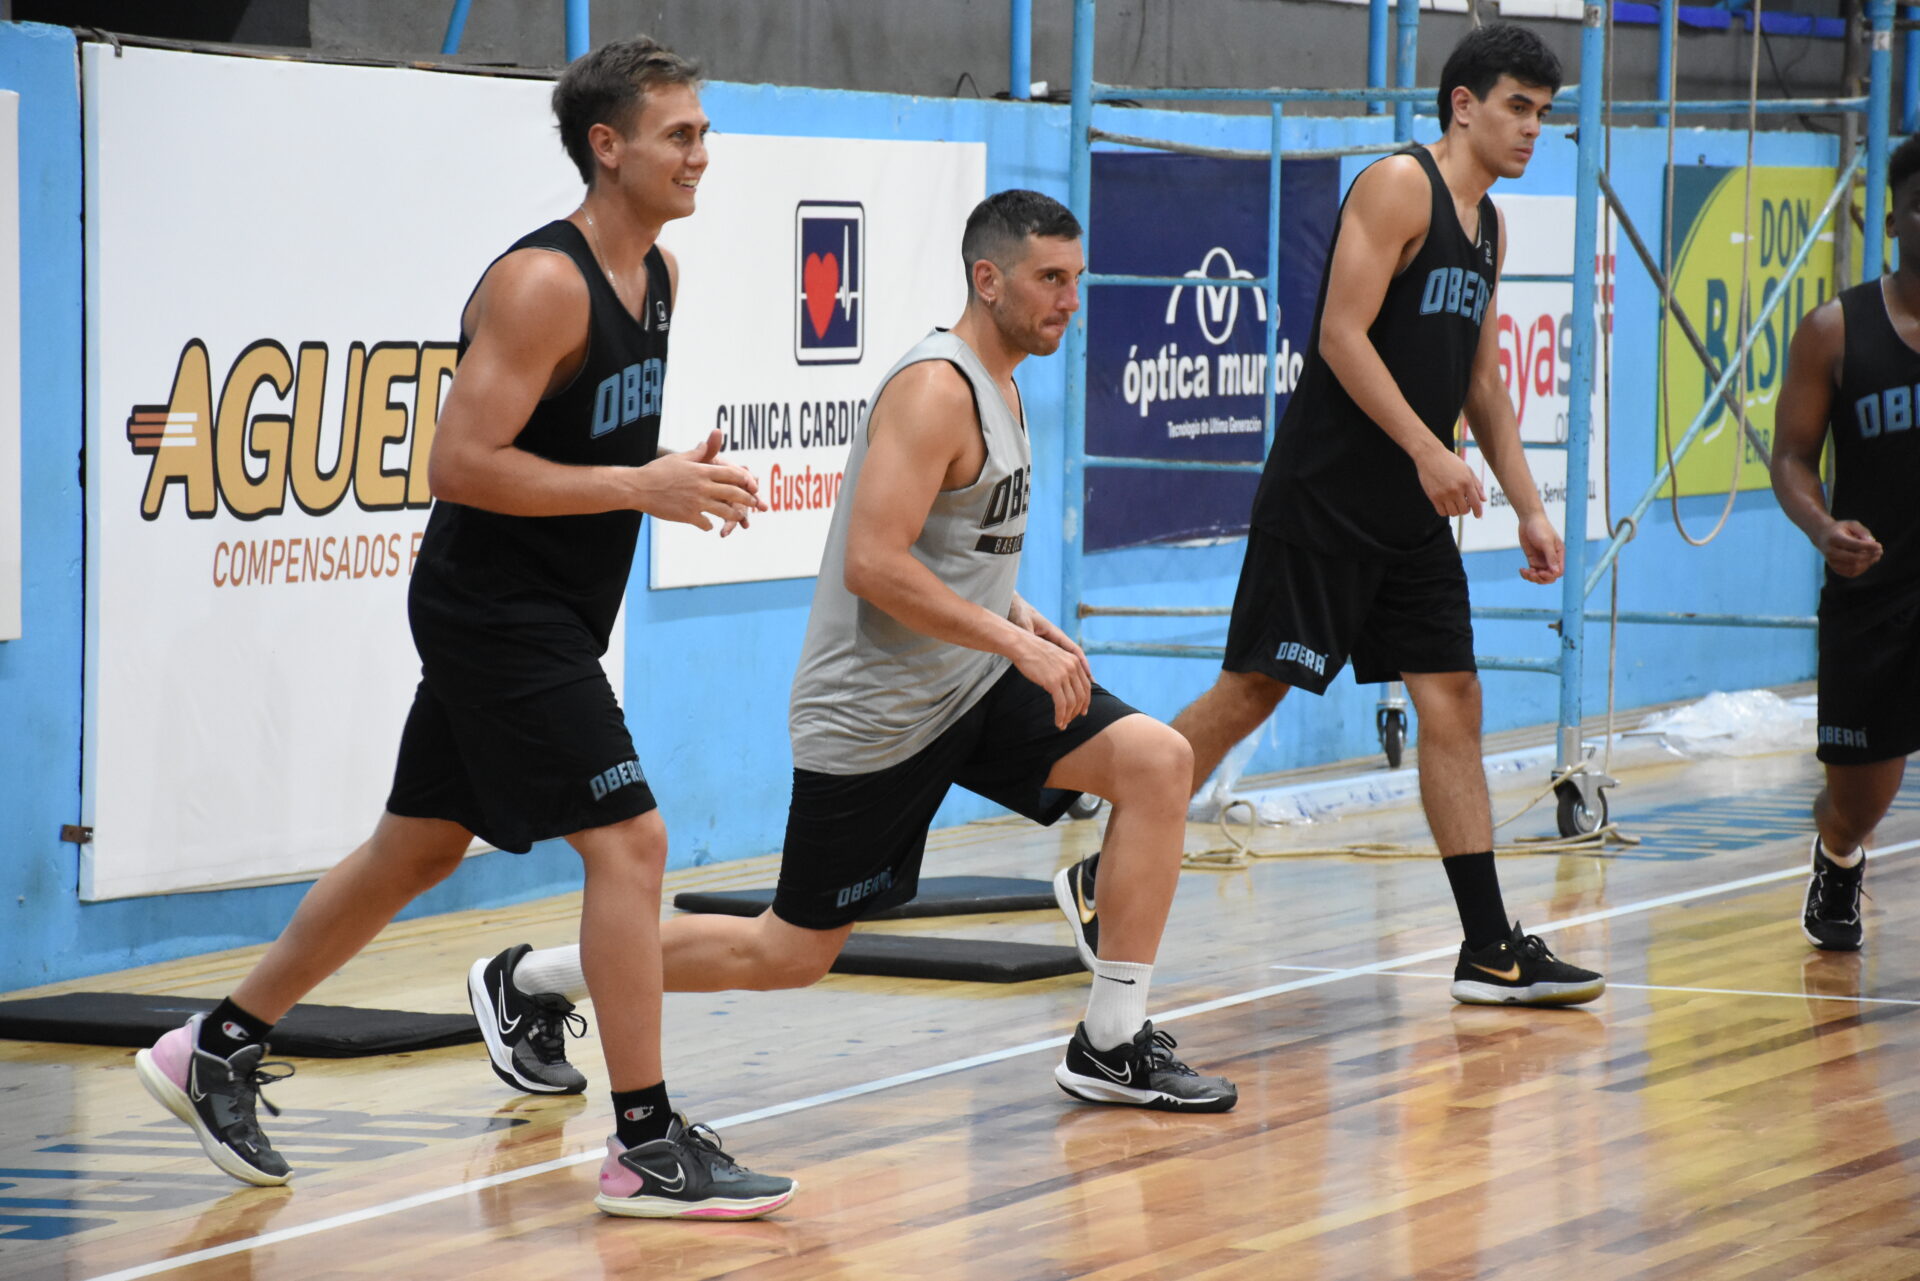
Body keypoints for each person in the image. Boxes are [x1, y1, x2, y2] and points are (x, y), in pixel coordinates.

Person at [133, 37, 796, 1221]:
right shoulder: (543, 283)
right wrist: (638, 490)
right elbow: (461, 464)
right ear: (609, 146)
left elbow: (579, 446)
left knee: (419, 847)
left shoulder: (663, 276)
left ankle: (217, 1046)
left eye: (703, 131)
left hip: (547, 610)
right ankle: (644, 1145)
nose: (703, 154)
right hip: (495, 610)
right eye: (679, 134)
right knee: (632, 846)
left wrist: (656, 469)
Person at [471, 189, 1237, 1115]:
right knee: (788, 954)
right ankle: (533, 978)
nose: (1069, 299)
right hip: (877, 715)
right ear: (986, 279)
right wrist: (1006, 635)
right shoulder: (935, 388)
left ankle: (1112, 1040)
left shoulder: (1004, 378)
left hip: (972, 681)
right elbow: (874, 562)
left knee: (1159, 761)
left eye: (1076, 279)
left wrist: (1016, 613)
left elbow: (944, 543)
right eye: (1050, 279)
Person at [1163, 23, 1605, 1007]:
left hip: (1409, 522)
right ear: (1463, 104)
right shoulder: (1399, 186)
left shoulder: (1491, 224)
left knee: (1454, 699)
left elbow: (1484, 381)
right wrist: (1423, 449)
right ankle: (1111, 871)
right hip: (1325, 500)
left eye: (1544, 112)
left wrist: (1530, 507)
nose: (1533, 129)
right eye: (1517, 108)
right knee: (1250, 695)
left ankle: (1490, 946)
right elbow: (1340, 336)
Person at [1769, 133, 1920, 952]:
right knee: (1860, 796)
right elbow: (1791, 455)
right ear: (1894, 217)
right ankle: (1838, 851)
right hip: (1876, 593)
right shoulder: (1835, 330)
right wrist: (1823, 527)